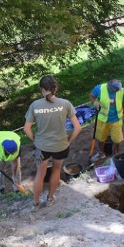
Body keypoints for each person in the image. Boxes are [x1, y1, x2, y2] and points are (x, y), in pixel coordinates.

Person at [24, 75, 81, 210]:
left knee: (40, 173)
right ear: (56, 88)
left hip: (41, 147)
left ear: (42, 90)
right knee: (56, 170)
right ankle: (50, 199)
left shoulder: (35, 105)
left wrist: (35, 141)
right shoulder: (65, 103)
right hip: (60, 145)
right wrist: (68, 141)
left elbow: (26, 129)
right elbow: (78, 128)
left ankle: (36, 203)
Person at [89, 79, 124, 157]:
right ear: (109, 87)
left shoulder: (120, 90)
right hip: (103, 120)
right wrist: (94, 102)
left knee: (117, 140)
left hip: (116, 119)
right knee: (101, 139)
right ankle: (101, 153)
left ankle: (116, 154)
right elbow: (91, 95)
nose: (117, 91)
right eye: (115, 90)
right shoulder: (99, 88)